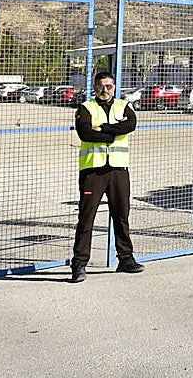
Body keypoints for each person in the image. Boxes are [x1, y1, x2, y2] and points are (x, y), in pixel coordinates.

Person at [69, 71, 143, 282]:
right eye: (101, 86)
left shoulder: (123, 106)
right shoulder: (86, 108)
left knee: (121, 215)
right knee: (86, 217)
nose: (105, 90)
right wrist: (114, 133)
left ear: (114, 87)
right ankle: (79, 263)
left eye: (109, 86)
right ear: (94, 88)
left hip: (118, 169)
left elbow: (130, 125)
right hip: (93, 170)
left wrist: (103, 128)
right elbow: (85, 133)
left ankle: (125, 259)